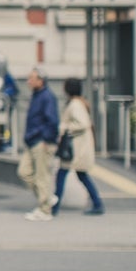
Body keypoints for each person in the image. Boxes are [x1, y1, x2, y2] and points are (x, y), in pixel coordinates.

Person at [53, 78, 105, 216]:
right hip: (78, 147)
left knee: (62, 174)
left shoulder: (75, 105)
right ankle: (97, 203)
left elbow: (83, 123)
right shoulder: (79, 103)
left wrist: (66, 127)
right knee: (81, 175)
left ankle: (54, 206)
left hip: (74, 148)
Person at [18, 67, 60, 222]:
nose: (28, 81)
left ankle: (45, 209)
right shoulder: (37, 96)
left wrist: (45, 139)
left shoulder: (47, 97)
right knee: (24, 172)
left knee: (42, 176)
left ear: (40, 80)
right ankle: (47, 198)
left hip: (41, 142)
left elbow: (52, 121)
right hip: (33, 141)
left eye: (32, 78)